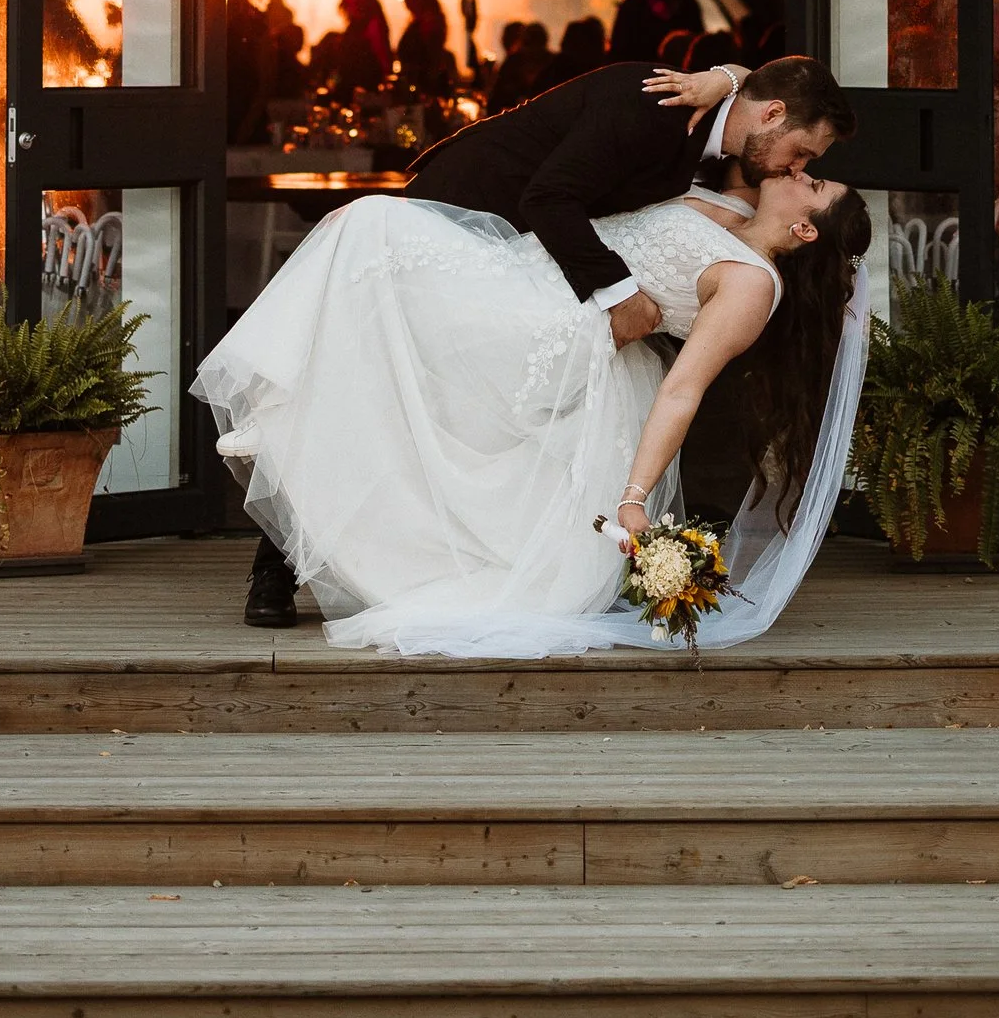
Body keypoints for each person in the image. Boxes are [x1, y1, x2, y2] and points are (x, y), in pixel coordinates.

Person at [194, 88, 870, 657]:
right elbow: (767, 98)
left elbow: (682, 390)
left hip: (554, 330)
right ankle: (283, 418)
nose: (799, 170)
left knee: (368, 235)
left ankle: (279, 416)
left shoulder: (752, 286)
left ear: (806, 231)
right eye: (807, 160)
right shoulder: (737, 197)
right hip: (522, 273)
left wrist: (635, 496)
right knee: (364, 242)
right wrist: (724, 73)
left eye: (812, 180)